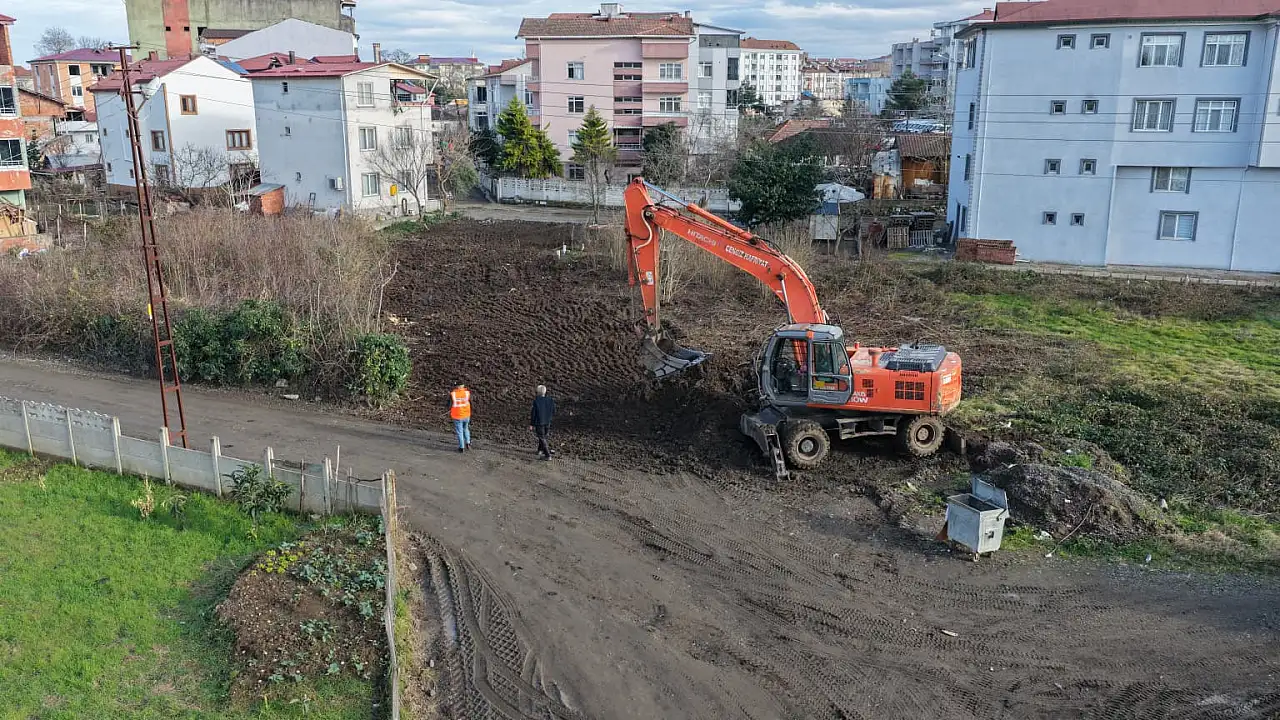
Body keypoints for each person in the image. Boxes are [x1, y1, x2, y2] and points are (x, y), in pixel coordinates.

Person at [528, 384, 555, 460]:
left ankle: (547, 455)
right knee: (544, 437)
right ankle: (540, 450)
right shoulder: (550, 400)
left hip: (539, 422)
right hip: (547, 422)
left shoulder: (536, 401)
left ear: (537, 392)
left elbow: (533, 414)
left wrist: (531, 424)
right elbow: (553, 411)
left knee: (542, 438)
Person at [449, 383, 472, 452]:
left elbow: (448, 404)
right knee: (466, 428)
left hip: (457, 416)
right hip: (466, 415)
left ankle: (461, 447)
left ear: (456, 386)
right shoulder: (467, 393)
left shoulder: (453, 394)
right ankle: (468, 443)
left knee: (460, 432)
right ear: (463, 385)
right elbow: (470, 402)